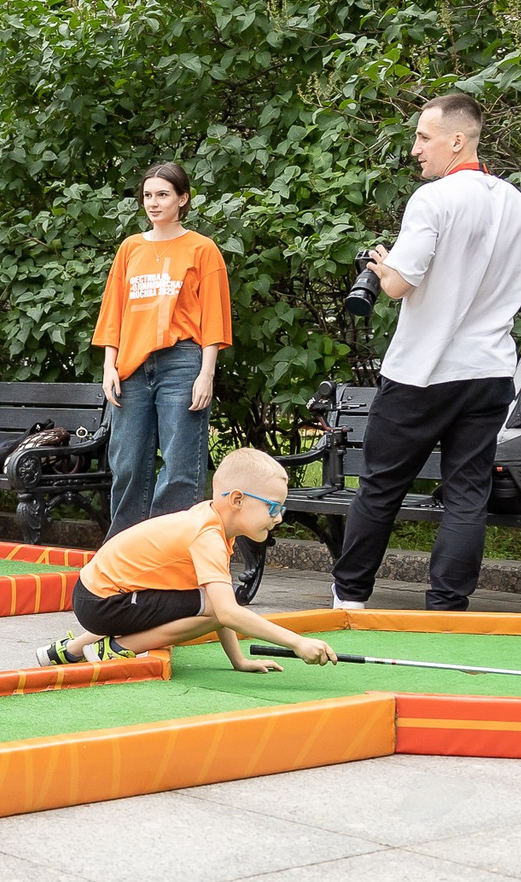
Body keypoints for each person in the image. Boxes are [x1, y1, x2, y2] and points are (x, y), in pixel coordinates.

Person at [331, 92, 521, 613]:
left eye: (423, 138)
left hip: (422, 372)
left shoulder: (433, 200)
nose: (414, 149)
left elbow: (401, 285)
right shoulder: (519, 204)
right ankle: (448, 608)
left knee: (381, 486)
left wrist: (383, 267)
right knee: (467, 494)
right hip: (491, 370)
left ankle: (350, 598)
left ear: (457, 139)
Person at [40, 448, 337, 671]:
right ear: (237, 500)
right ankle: (117, 648)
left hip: (97, 596)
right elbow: (226, 612)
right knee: (216, 606)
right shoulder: (207, 535)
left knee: (213, 602)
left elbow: (220, 605)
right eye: (274, 508)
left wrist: (239, 661)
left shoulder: (211, 520)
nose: (279, 517)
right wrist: (298, 642)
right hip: (102, 602)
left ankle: (73, 649)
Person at [93, 161, 232, 537]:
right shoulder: (130, 248)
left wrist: (207, 374)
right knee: (128, 465)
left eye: (163, 195)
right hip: (131, 369)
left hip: (183, 364)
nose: (153, 203)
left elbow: (215, 319)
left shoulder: (202, 249)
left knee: (180, 465)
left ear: (182, 199)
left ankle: (169, 553)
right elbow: (113, 313)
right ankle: (122, 555)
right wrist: (109, 366)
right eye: (148, 195)